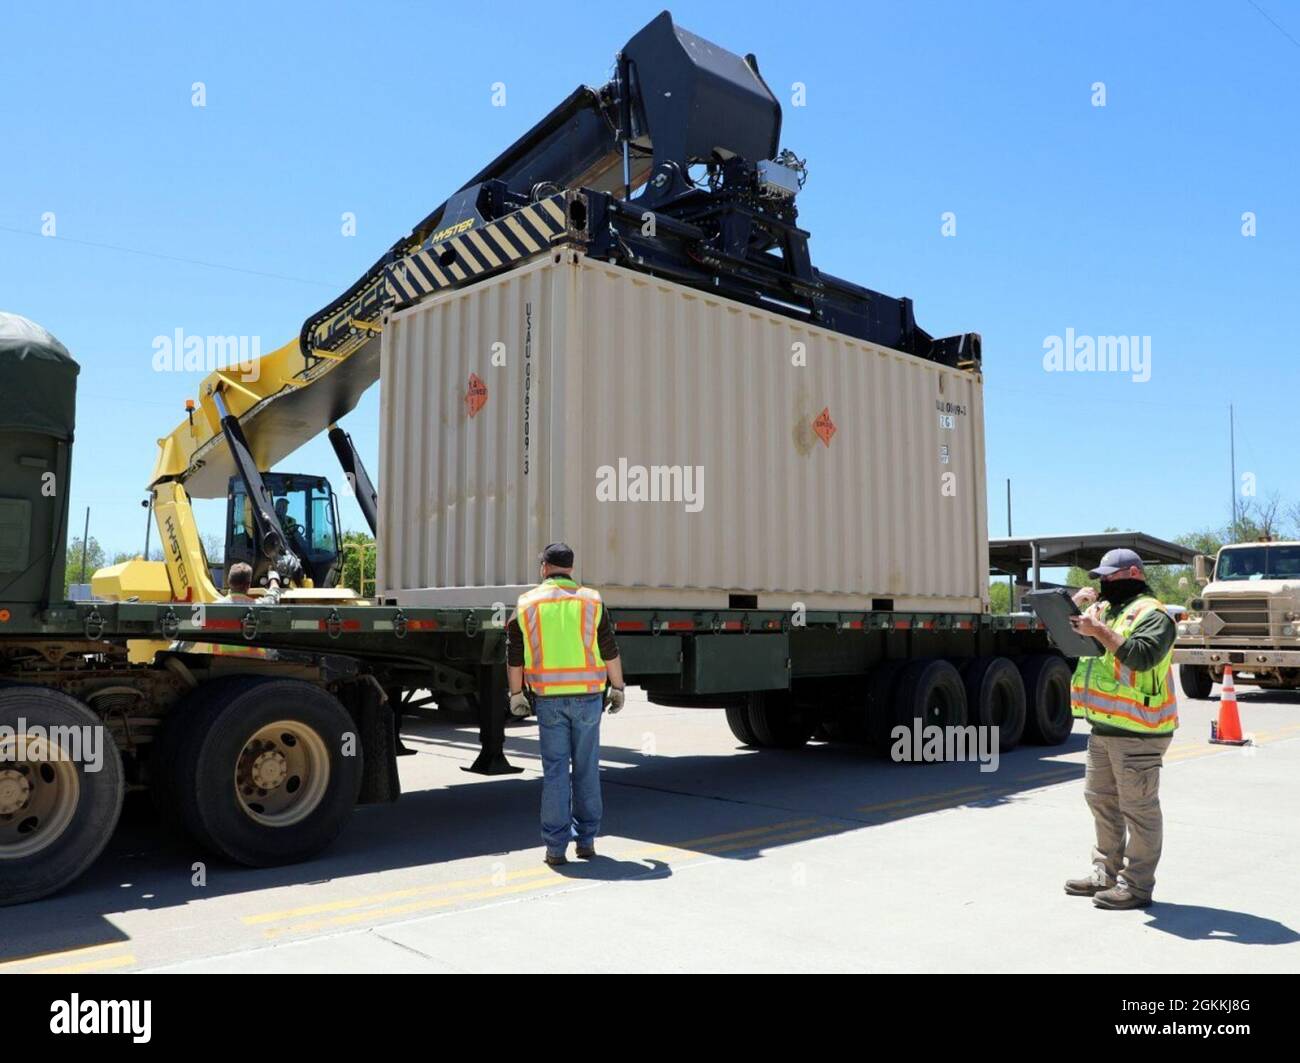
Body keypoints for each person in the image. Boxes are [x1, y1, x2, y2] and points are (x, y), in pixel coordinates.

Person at [1064, 548, 1178, 910]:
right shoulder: (1102, 610)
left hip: (1140, 729)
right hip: (1103, 727)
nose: (1102, 583)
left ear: (1132, 573)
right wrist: (1070, 608)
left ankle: (1137, 885)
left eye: (1109, 577)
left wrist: (1098, 630)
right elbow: (1068, 643)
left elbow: (1141, 656)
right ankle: (1105, 872)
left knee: (1138, 810)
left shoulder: (1154, 615)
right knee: (1101, 802)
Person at [505, 542, 625, 866]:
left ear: (544, 567)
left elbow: (514, 655)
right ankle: (586, 842)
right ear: (570, 568)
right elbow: (609, 648)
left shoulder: (527, 603)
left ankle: (555, 849)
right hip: (588, 699)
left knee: (555, 771)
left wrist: (516, 694)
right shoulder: (591, 601)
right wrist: (618, 687)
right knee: (586, 769)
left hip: (548, 701)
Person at [218, 561, 283, 605]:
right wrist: (273, 577)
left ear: (229, 582)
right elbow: (273, 598)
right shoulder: (258, 605)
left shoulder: (212, 608)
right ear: (248, 585)